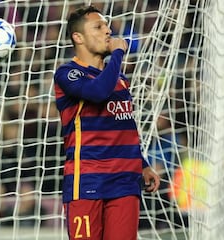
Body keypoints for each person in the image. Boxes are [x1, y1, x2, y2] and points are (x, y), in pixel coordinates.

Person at [53, 5, 160, 240]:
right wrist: (119, 54)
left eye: (107, 25)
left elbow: (124, 126)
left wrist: (142, 164)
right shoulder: (69, 73)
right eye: (98, 27)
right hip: (88, 182)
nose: (108, 31)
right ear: (78, 37)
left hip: (125, 181)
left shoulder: (120, 79)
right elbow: (98, 92)